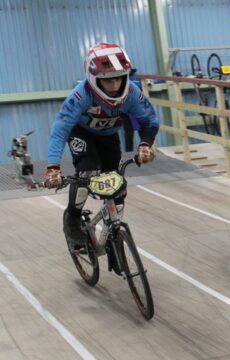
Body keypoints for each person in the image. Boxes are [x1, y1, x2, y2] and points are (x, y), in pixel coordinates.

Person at [44, 43, 159, 245]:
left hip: (109, 136)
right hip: (82, 133)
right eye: (108, 80)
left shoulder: (132, 93)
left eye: (118, 78)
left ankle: (113, 233)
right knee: (86, 173)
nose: (114, 86)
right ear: (94, 79)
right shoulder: (80, 96)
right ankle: (72, 219)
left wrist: (145, 144)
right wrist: (53, 166)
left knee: (116, 184)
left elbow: (149, 121)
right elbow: (60, 130)